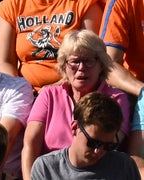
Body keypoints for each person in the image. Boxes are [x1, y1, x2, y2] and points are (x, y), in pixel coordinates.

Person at [18, 30, 127, 178]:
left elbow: (111, 144)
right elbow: (30, 144)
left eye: (89, 61)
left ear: (101, 65)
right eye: (75, 61)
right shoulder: (49, 95)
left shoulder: (115, 99)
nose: (81, 68)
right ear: (64, 65)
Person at [25, 92, 128, 180]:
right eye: (94, 143)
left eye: (108, 146)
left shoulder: (124, 166)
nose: (99, 151)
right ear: (75, 128)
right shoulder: (46, 168)